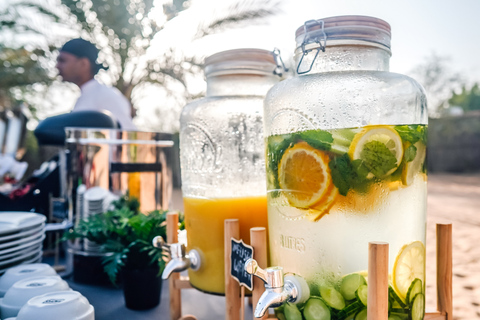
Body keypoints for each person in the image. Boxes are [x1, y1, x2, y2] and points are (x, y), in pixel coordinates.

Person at [56, 38, 136, 130]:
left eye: (62, 60)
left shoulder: (106, 95)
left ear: (83, 64)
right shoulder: (86, 95)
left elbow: (127, 136)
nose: (57, 66)